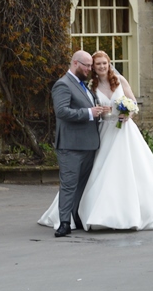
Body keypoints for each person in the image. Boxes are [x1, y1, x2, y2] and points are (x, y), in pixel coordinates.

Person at [39, 51, 153, 231]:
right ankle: (78, 215)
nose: (99, 67)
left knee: (129, 169)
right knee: (96, 173)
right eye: (96, 64)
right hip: (103, 132)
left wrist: (128, 113)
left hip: (124, 131)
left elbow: (133, 102)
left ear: (109, 64)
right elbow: (79, 109)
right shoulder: (90, 85)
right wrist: (97, 112)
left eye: (103, 63)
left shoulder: (119, 81)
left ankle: (129, 212)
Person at [48, 50, 112, 238]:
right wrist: (89, 113)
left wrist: (100, 112)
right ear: (76, 63)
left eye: (91, 66)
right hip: (70, 146)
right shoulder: (63, 84)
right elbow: (61, 112)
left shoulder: (84, 86)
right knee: (68, 185)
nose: (90, 69)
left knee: (82, 185)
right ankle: (64, 223)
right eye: (87, 66)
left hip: (89, 144)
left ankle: (76, 217)